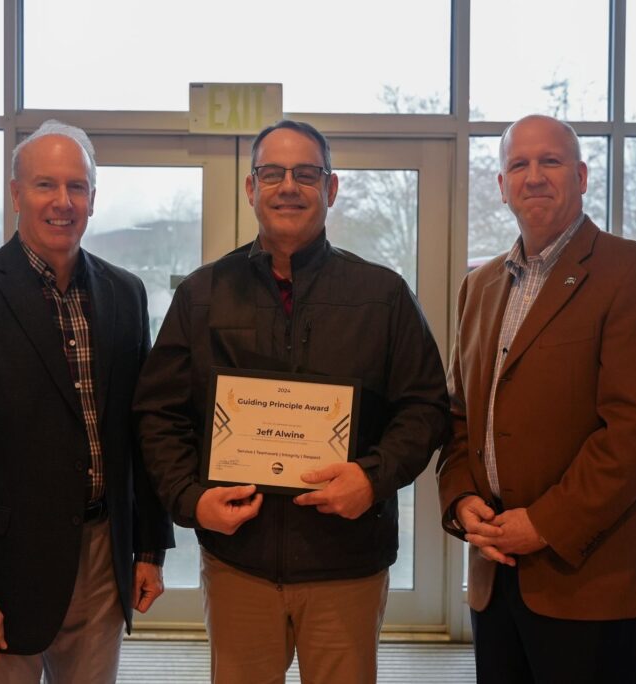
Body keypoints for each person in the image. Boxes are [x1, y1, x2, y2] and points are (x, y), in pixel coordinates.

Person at [134, 120, 449, 683]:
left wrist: (372, 478)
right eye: (272, 173)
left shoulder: (383, 295)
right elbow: (159, 415)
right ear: (251, 189)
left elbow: (425, 408)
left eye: (306, 173)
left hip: (346, 564)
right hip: (239, 564)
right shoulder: (201, 295)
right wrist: (190, 500)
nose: (289, 186)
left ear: (330, 190)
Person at [0, 120, 174, 683]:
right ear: (15, 194)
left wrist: (150, 546)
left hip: (103, 558)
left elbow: (139, 428)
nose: (62, 201)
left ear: (94, 199)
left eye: (77, 187)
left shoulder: (125, 294)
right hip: (1, 571)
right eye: (45, 185)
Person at [436, 114, 636, 684]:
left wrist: (545, 523)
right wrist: (460, 501)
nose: (534, 177)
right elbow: (458, 419)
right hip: (494, 571)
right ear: (501, 186)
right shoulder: (479, 286)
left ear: (580, 175)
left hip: (585, 576)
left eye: (549, 162)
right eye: (517, 165)